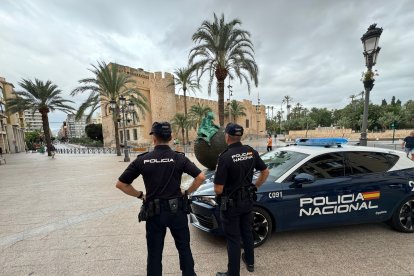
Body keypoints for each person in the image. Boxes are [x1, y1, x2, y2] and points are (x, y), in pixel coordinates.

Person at [116, 121, 205, 276]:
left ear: (154, 138)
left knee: (154, 253)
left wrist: (140, 195)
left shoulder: (142, 160)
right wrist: (187, 192)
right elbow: (201, 177)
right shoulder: (179, 158)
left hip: (154, 212)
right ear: (170, 137)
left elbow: (121, 184)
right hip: (176, 211)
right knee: (184, 248)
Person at [214, 123, 269, 276]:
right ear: (240, 136)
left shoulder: (224, 157)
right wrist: (255, 186)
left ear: (227, 136)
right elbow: (265, 172)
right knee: (247, 231)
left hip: (231, 205)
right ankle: (250, 263)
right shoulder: (251, 152)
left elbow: (218, 189)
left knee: (233, 239)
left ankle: (232, 273)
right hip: (248, 201)